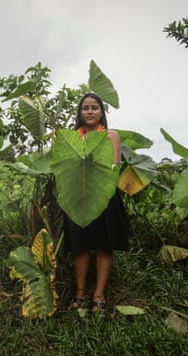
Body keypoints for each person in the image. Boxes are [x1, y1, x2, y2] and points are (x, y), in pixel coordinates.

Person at [64, 92, 129, 316]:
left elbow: (114, 165)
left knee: (104, 245)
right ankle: (80, 293)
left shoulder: (111, 135)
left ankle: (99, 296)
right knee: (80, 245)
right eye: (85, 108)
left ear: (101, 112)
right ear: (80, 113)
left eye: (94, 107)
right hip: (78, 197)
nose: (90, 111)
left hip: (104, 196)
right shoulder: (72, 137)